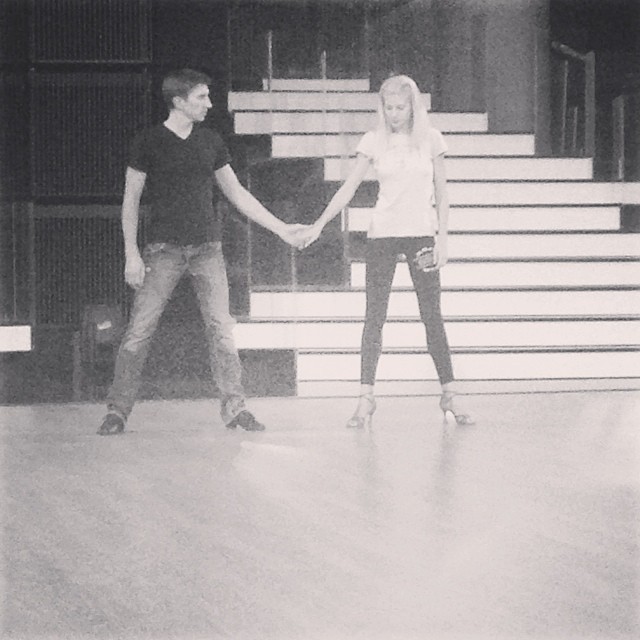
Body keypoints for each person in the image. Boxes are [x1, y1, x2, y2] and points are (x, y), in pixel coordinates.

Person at [98, 68, 306, 435]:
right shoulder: (149, 141)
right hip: (163, 249)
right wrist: (131, 253)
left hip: (207, 248)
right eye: (201, 97)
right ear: (179, 101)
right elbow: (131, 200)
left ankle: (236, 408)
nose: (209, 104)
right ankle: (117, 411)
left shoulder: (210, 141)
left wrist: (280, 227)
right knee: (139, 331)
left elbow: (236, 192)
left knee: (222, 330)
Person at [300, 74, 474, 428]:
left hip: (421, 235)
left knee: (432, 316)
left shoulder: (431, 139)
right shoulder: (373, 141)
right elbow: (349, 188)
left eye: (400, 107)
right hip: (382, 235)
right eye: (389, 107)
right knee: (374, 316)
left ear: (413, 107)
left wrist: (443, 240)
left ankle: (450, 392)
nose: (395, 114)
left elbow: (443, 193)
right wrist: (319, 223)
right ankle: (366, 397)